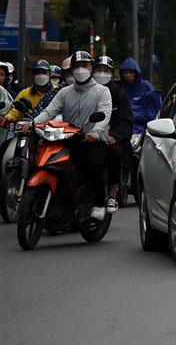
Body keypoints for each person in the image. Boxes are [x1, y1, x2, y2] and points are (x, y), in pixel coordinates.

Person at [29, 51, 113, 219]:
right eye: (77, 66)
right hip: (69, 138)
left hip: (93, 140)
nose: (80, 69)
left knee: (94, 163)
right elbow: (49, 112)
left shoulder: (103, 91)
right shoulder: (65, 92)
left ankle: (98, 203)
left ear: (91, 67)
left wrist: (95, 132)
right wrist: (32, 124)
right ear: (72, 69)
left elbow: (105, 114)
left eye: (84, 65)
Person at [94, 57, 133, 212]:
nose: (102, 74)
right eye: (99, 70)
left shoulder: (119, 94)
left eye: (106, 71)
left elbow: (126, 120)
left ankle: (112, 194)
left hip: (112, 139)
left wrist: (114, 136)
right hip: (89, 135)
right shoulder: (85, 90)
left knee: (115, 153)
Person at [5, 61, 59, 125]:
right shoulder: (24, 94)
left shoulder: (57, 92)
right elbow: (15, 111)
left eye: (44, 72)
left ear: (49, 74)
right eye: (37, 73)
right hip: (29, 130)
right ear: (32, 75)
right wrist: (6, 118)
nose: (41, 76)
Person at [120, 57, 162, 135]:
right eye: (125, 72)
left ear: (136, 73)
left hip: (144, 130)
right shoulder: (120, 89)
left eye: (131, 72)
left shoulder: (146, 86)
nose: (128, 75)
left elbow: (155, 108)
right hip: (124, 130)